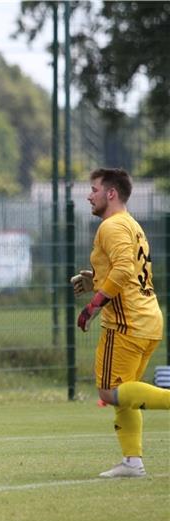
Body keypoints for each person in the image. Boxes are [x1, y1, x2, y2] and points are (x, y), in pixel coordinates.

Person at [72, 167, 170, 478]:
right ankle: (132, 462)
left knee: (109, 391)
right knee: (124, 394)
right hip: (148, 318)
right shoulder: (131, 225)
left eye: (94, 189)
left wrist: (92, 306)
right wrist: (97, 281)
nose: (89, 195)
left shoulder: (111, 226)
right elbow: (126, 271)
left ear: (111, 193)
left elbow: (125, 269)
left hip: (127, 323)